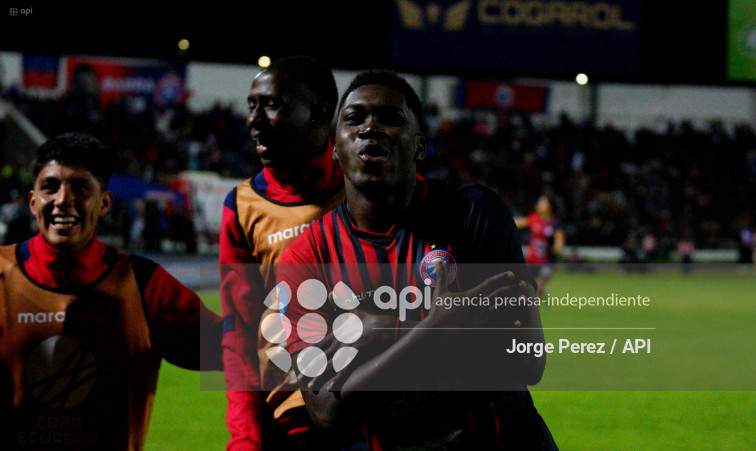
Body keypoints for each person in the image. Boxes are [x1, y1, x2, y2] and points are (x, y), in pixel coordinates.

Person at [275, 70, 557, 449]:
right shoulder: (306, 257)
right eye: (355, 118)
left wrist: (383, 331)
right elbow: (326, 408)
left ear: (419, 147)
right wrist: (441, 328)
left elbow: (526, 360)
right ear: (335, 147)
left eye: (390, 117)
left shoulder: (475, 213)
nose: (370, 127)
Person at [0, 132, 223, 450]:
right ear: (33, 201)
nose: (63, 199)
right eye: (50, 187)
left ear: (104, 203)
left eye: (80, 187)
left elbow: (235, 348)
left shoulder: (143, 284)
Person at [219, 56, 344, 450]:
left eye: (272, 105)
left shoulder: (370, 187)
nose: (253, 120)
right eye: (251, 105)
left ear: (319, 113)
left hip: (373, 415)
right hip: (290, 423)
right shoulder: (242, 206)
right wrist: (244, 437)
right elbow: (237, 334)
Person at [515, 195, 565, 299]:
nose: (539, 205)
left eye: (542, 203)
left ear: (550, 206)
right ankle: (541, 293)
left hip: (546, 262)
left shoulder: (554, 223)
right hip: (532, 261)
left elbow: (559, 240)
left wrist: (557, 247)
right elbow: (516, 223)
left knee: (535, 291)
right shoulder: (534, 219)